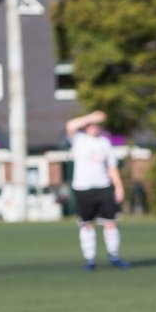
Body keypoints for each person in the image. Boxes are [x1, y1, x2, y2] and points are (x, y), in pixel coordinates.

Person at [66, 110, 128, 270]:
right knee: (87, 224)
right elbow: (70, 125)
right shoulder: (78, 140)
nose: (94, 127)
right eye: (91, 125)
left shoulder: (104, 143)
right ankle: (90, 259)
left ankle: (114, 256)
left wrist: (119, 187)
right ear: (86, 126)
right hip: (83, 188)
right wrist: (90, 117)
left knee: (111, 223)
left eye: (96, 125)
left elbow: (112, 167)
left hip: (103, 187)